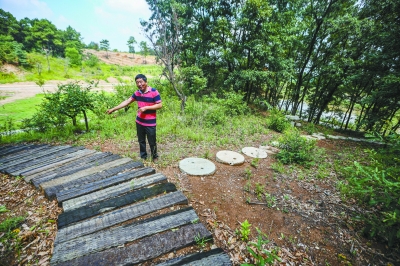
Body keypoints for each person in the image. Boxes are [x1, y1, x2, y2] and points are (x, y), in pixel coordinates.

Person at [106, 74, 162, 161]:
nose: (139, 84)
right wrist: (113, 109)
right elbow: (127, 102)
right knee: (141, 140)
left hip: (150, 122)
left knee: (152, 141)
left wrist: (146, 107)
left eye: (141, 82)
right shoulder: (137, 93)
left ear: (146, 82)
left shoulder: (154, 92)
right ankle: (143, 156)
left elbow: (159, 105)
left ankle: (154, 156)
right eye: (137, 82)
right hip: (139, 121)